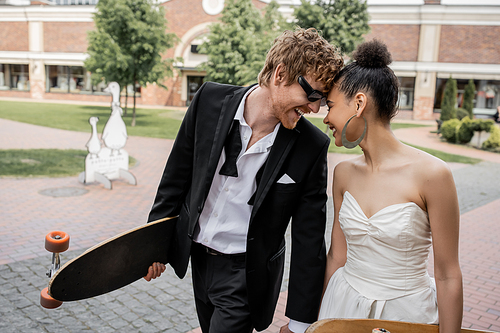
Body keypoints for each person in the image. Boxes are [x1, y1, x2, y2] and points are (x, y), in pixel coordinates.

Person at [144, 28, 344, 333]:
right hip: (198, 258)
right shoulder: (209, 100)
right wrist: (153, 245)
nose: (315, 108)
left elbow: (309, 238)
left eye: (322, 101)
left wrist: (301, 321)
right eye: (312, 95)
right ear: (280, 74)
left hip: (247, 274)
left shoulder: (311, 146)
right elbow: (175, 178)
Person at [320, 39, 463, 333]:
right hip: (343, 304)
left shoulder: (433, 174)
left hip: (406, 313)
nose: (326, 117)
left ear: (359, 104)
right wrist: (323, 321)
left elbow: (448, 274)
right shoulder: (343, 173)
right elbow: (337, 255)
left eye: (331, 106)